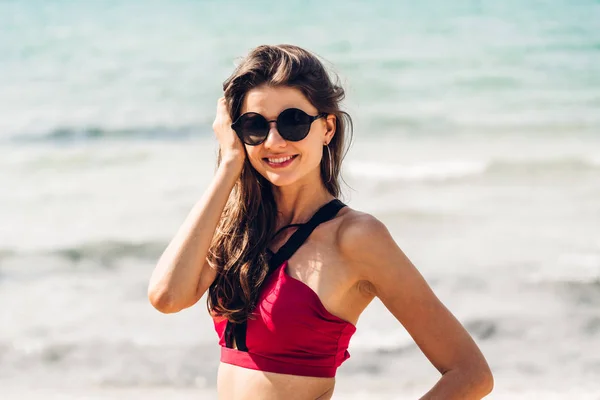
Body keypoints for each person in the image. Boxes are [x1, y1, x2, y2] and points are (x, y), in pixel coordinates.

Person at [148, 44, 493, 400]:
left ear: (327, 128)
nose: (274, 141)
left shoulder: (356, 237)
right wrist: (229, 165)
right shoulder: (238, 230)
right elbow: (166, 296)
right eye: (253, 127)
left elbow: (470, 374)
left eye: (293, 122)